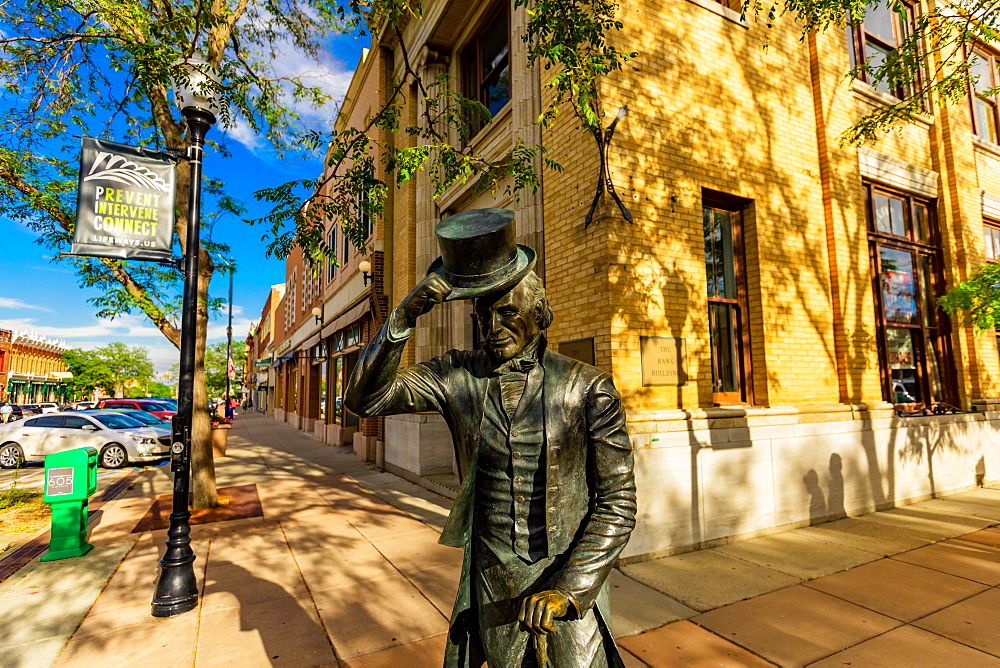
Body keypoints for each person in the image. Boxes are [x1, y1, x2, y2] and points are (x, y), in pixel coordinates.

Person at [345, 209, 636, 667]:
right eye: (483, 316)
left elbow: (617, 503)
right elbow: (366, 399)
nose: (492, 327)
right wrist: (404, 316)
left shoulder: (587, 388)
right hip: (492, 579)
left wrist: (571, 587)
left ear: (539, 314)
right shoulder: (457, 375)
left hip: (566, 580)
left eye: (507, 313)